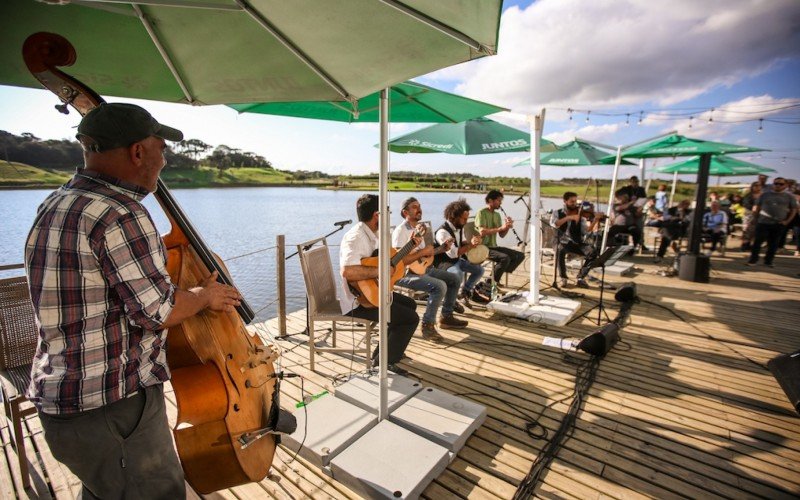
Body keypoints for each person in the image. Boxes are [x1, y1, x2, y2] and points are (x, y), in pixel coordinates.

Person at [24, 103, 244, 499]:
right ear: (138, 152)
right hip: (113, 407)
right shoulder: (120, 213)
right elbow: (160, 311)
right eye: (162, 147)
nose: (165, 159)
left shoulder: (56, 202)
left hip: (65, 400)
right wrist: (204, 295)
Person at [339, 194, 419, 373]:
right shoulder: (356, 237)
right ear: (377, 215)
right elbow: (348, 271)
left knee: (410, 304)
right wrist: (381, 271)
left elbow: (387, 260)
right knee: (410, 319)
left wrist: (411, 245)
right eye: (387, 212)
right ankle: (383, 365)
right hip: (358, 301)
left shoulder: (373, 234)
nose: (388, 216)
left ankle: (384, 353)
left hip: (374, 292)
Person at [391, 197, 467, 342]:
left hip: (421, 270)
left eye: (419, 206)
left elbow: (424, 256)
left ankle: (446, 316)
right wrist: (422, 251)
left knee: (454, 279)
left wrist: (442, 249)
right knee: (439, 286)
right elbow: (399, 261)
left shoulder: (418, 229)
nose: (419, 209)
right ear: (405, 212)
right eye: (414, 207)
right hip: (404, 274)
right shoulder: (400, 231)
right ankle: (427, 325)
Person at [434, 198, 491, 307]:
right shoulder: (443, 232)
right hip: (443, 263)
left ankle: (463, 292)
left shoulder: (459, 228)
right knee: (458, 273)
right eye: (464, 219)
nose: (466, 221)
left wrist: (474, 242)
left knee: (479, 270)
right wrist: (471, 246)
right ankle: (451, 299)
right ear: (453, 217)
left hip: (456, 260)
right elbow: (453, 253)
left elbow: (464, 244)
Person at [474, 190, 525, 286]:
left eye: (501, 201)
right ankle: (492, 283)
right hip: (482, 247)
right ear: (490, 200)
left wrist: (507, 227)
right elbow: (482, 232)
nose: (500, 203)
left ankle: (495, 278)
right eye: (499, 200)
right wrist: (501, 228)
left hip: (493, 246)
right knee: (505, 258)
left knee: (520, 256)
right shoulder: (481, 213)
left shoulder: (497, 215)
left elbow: (501, 235)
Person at [747, 177, 798, 267]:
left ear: (785, 185)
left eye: (781, 184)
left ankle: (768, 261)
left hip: (778, 223)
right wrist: (755, 219)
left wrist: (787, 221)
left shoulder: (789, 196)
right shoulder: (765, 194)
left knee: (773, 244)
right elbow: (757, 207)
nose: (778, 185)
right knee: (757, 242)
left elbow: (794, 210)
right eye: (776, 183)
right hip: (763, 222)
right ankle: (753, 260)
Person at [552, 192, 598, 288]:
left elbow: (586, 231)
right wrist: (569, 217)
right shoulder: (557, 212)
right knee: (561, 249)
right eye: (572, 201)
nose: (575, 203)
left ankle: (580, 277)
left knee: (593, 252)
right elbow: (555, 224)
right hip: (560, 241)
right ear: (565, 201)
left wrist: (595, 221)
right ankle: (563, 277)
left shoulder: (579, 214)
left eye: (575, 201)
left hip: (575, 242)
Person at [740, 181, 763, 251]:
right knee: (747, 230)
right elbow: (745, 204)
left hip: (760, 215)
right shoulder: (748, 195)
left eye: (759, 185)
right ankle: (744, 245)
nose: (757, 187)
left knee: (756, 231)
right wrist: (753, 207)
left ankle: (751, 245)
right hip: (749, 215)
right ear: (752, 187)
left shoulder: (763, 195)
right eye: (755, 185)